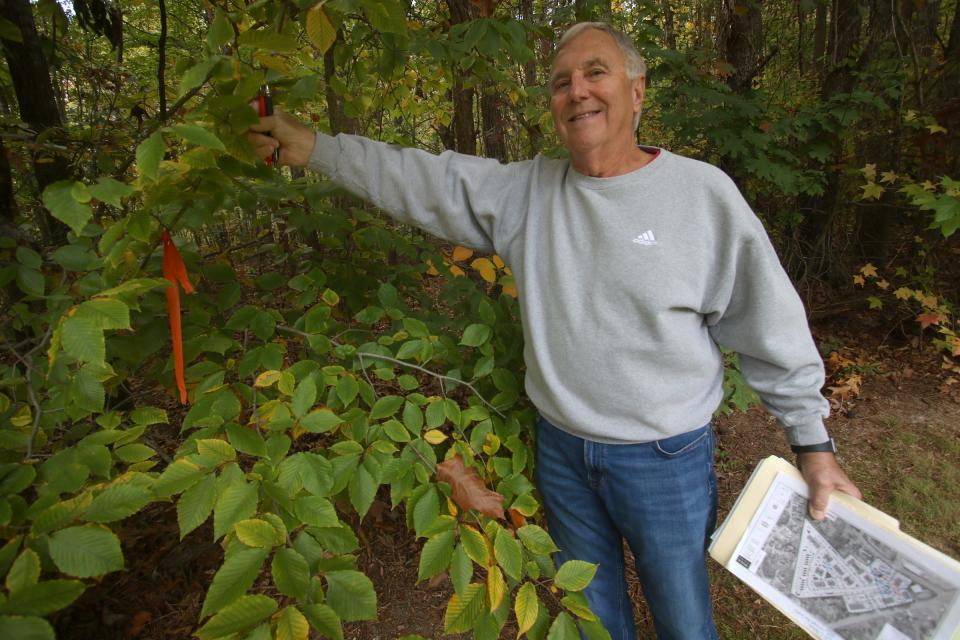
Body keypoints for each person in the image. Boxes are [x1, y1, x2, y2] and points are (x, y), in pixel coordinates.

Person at [249, 21, 861, 640]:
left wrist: (812, 443)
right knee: (593, 619)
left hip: (664, 458)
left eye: (595, 72)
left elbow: (769, 320)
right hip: (565, 453)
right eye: (561, 82)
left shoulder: (701, 196)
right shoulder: (528, 193)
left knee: (683, 619)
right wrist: (316, 148)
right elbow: (425, 180)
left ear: (637, 89)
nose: (577, 91)